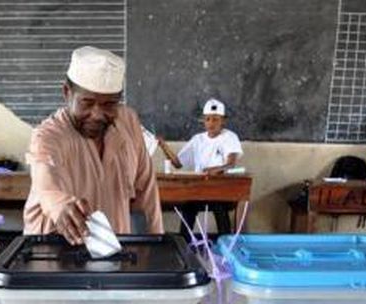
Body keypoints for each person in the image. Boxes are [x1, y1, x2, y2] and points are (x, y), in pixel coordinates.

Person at [23, 46, 163, 244]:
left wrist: (155, 249)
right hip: (54, 258)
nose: (97, 115)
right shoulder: (48, 136)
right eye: (86, 102)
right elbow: (46, 182)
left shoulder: (128, 122)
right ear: (66, 93)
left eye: (109, 105)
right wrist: (60, 205)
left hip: (112, 255)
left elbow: (146, 193)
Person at [158, 98, 243, 236]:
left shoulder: (229, 137)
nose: (211, 123)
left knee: (219, 206)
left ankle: (226, 245)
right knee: (189, 206)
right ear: (203, 121)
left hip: (220, 190)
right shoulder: (198, 139)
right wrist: (164, 146)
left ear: (223, 121)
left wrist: (217, 169)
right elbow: (178, 164)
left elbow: (231, 163)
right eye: (208, 119)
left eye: (216, 119)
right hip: (199, 189)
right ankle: (184, 243)